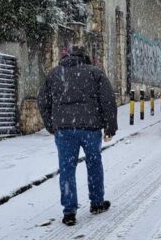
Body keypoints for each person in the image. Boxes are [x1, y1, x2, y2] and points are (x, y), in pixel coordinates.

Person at [37, 45, 118, 226]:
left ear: (67, 57)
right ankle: (97, 203)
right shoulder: (95, 73)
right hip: (90, 128)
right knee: (94, 163)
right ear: (85, 57)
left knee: (66, 169)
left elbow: (42, 100)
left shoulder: (54, 74)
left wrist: (52, 125)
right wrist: (110, 126)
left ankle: (69, 212)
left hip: (65, 130)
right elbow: (107, 100)